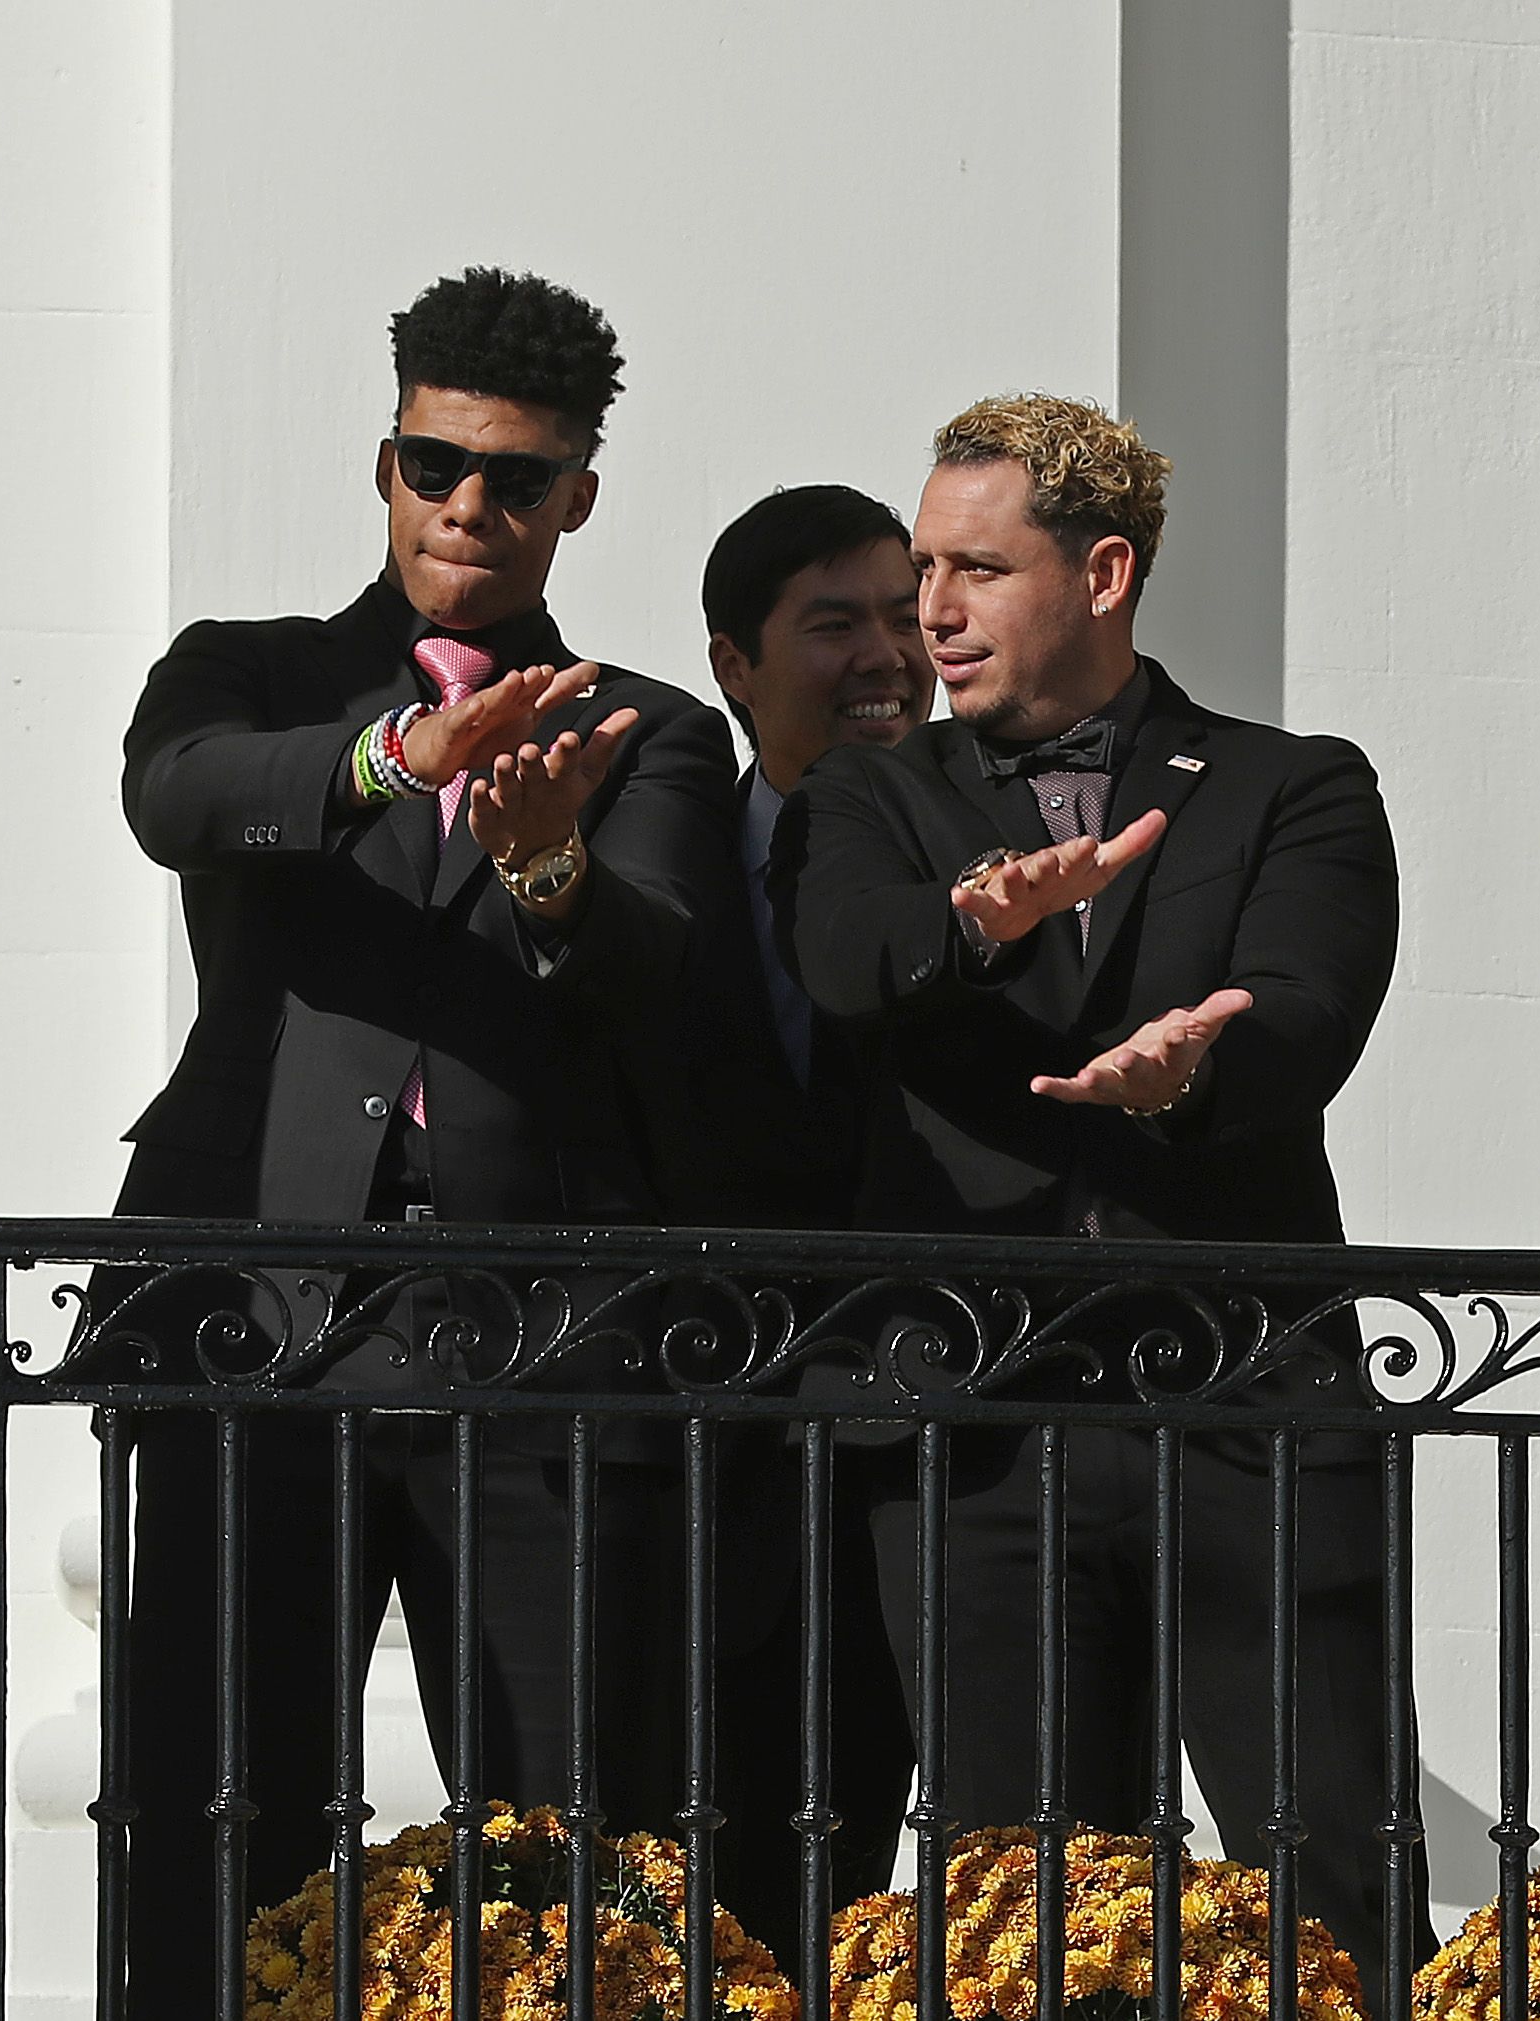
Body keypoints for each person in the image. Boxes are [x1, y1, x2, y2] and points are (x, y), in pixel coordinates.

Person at [104, 267, 736, 2013]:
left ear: (577, 497)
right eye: (433, 462)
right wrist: (398, 754)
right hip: (260, 1319)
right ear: (385, 463)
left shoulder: (651, 728)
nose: (470, 504)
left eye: (515, 478)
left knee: (563, 1841)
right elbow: (177, 797)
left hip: (532, 1344)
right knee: (215, 1809)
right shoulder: (252, 677)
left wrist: (547, 864)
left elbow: (662, 964)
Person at [777, 394, 1426, 2011]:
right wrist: (980, 927)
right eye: (925, 566)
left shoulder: (1294, 784)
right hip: (974, 1423)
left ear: (1108, 571)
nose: (931, 610)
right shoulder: (874, 799)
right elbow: (845, 960)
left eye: (977, 570)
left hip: (1247, 1398)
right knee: (1018, 1890)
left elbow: (1310, 1000)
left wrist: (1195, 1066)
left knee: (1331, 1854)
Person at [651, 483, 936, 1963]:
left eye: (905, 614)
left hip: (924, 1449)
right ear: (734, 664)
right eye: (836, 624)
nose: (889, 651)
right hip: (694, 1462)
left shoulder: (989, 836)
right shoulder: (663, 847)